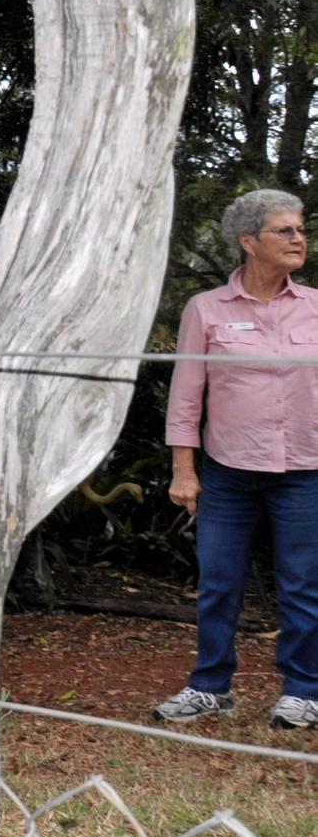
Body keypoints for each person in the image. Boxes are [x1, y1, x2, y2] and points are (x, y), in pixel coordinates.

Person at [153, 189, 318, 730]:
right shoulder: (206, 309)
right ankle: (210, 687)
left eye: (300, 229)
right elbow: (185, 396)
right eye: (284, 231)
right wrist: (184, 470)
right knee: (220, 582)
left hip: (305, 472)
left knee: (303, 585)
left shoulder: (316, 307)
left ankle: (303, 691)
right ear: (249, 242)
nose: (299, 238)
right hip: (227, 473)